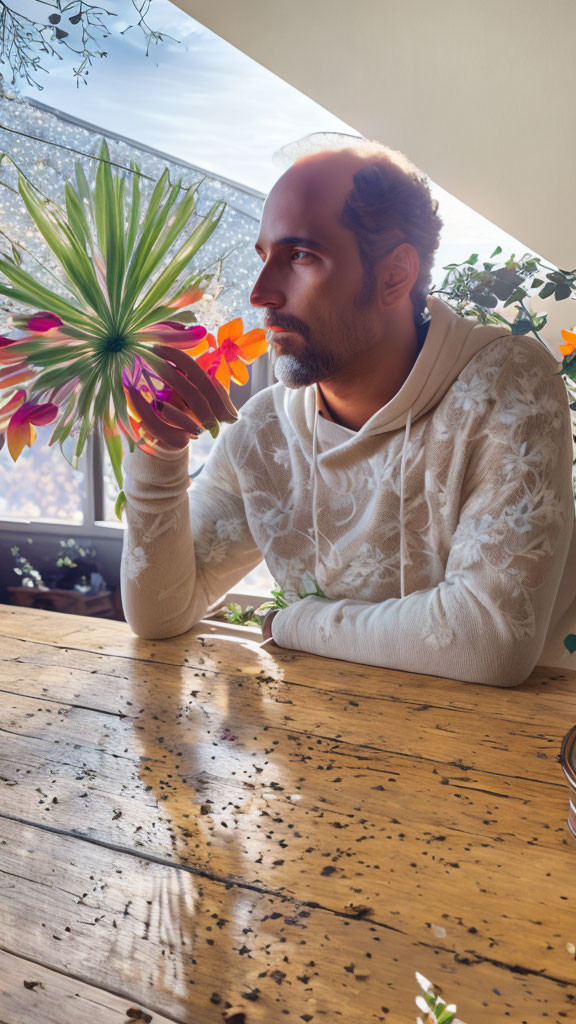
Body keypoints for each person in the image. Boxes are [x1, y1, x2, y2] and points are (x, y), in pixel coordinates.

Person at [120, 138, 576, 686]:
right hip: (329, 749)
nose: (261, 294)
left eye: (301, 256)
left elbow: (489, 641)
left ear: (394, 275)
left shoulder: (505, 385)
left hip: (512, 751)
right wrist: (159, 459)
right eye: (264, 258)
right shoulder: (263, 432)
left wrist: (297, 623)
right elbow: (161, 615)